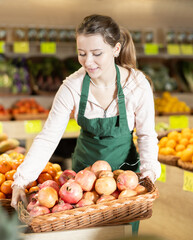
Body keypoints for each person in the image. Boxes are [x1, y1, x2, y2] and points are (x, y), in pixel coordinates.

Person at [11, 14, 161, 234]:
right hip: (83, 180)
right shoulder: (72, 87)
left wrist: (148, 175)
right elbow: (49, 136)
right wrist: (21, 180)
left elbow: (147, 134)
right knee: (84, 234)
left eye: (97, 53)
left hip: (125, 177)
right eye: (82, 54)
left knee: (122, 234)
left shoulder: (136, 85)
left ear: (116, 49)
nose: (88, 61)